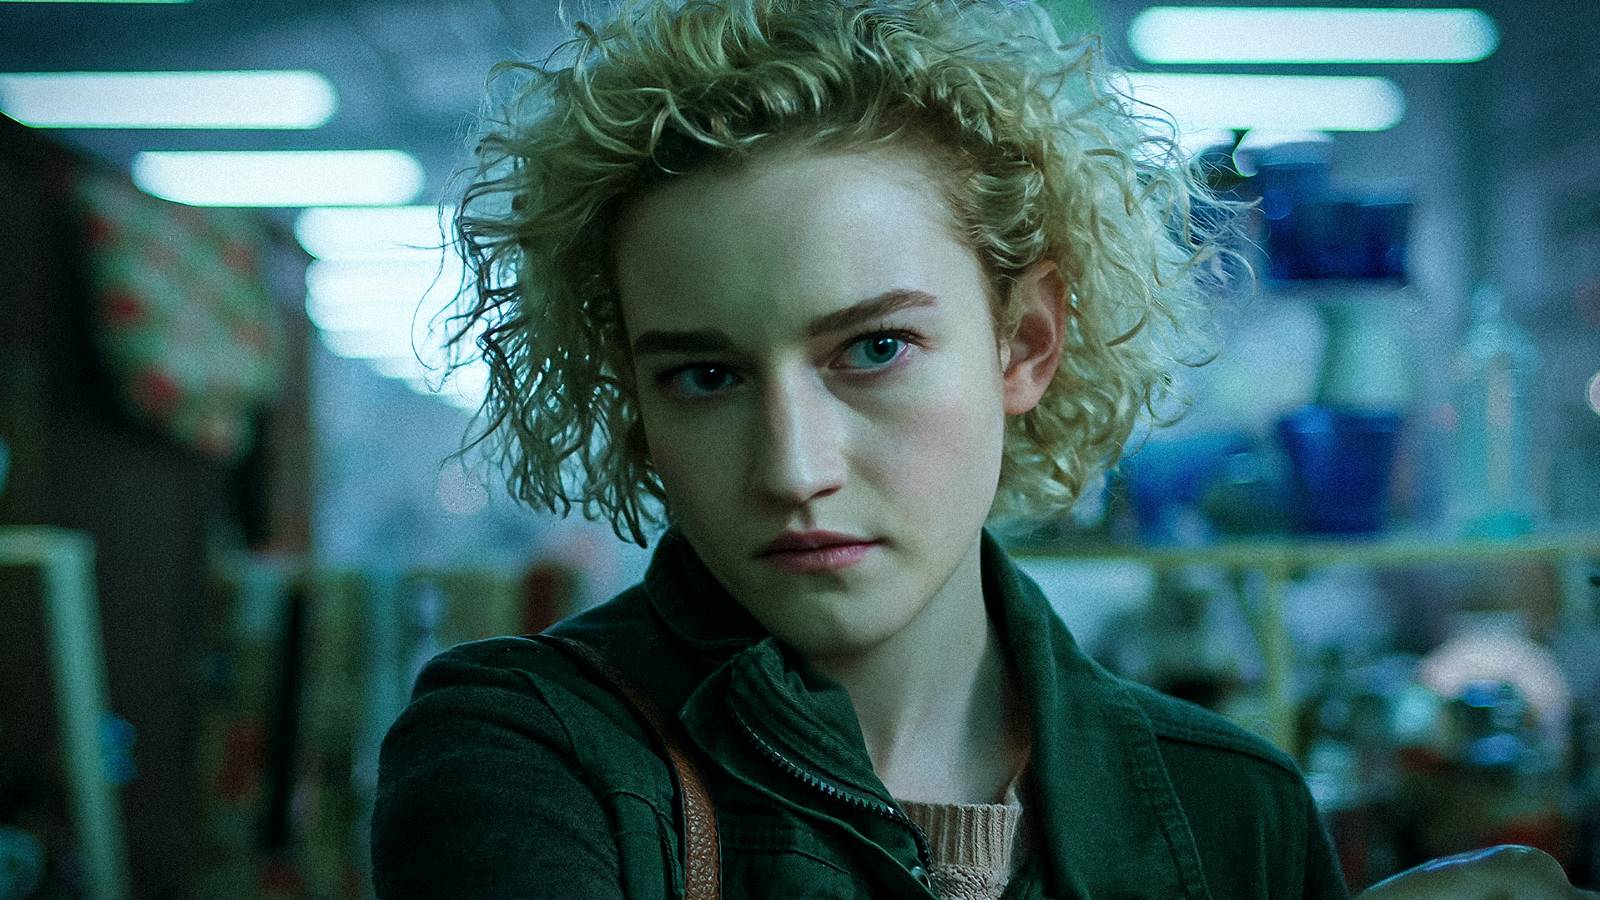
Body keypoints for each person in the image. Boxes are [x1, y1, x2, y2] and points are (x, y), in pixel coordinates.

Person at [370, 1, 1595, 897]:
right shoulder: (534, 756)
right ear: (634, 400)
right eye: (704, 375)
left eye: (874, 349)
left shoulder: (1229, 809)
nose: (793, 467)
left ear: (1026, 343)